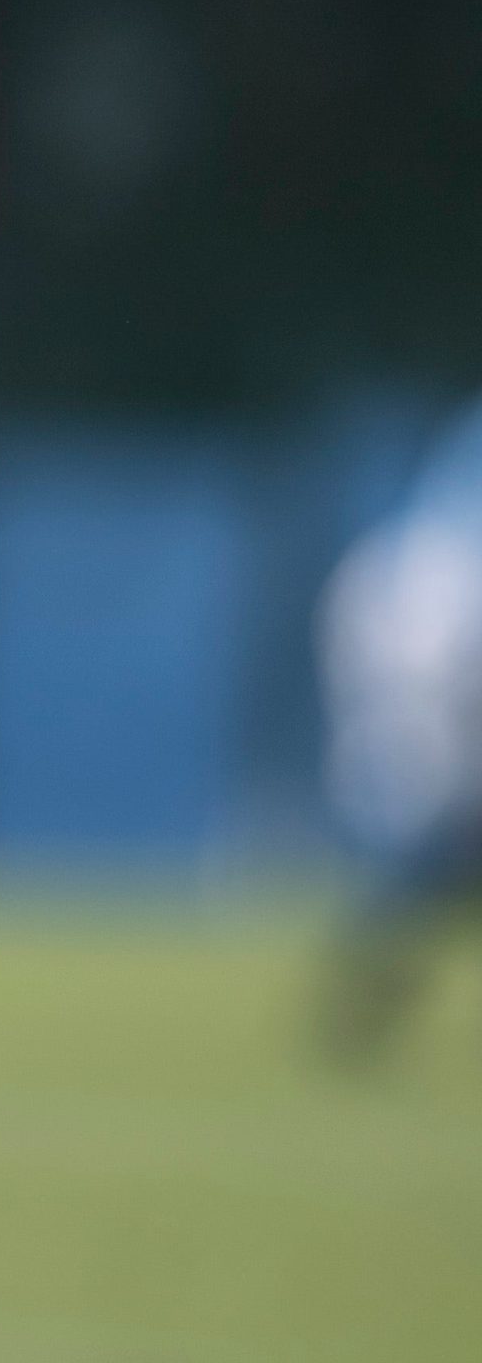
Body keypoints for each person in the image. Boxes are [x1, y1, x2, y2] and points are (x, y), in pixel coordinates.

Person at [316, 400, 482, 1065]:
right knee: (445, 853)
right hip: (445, 655)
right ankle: (364, 996)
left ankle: (365, 996)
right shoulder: (440, 566)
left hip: (433, 651)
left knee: (444, 860)